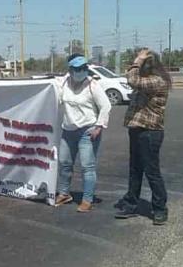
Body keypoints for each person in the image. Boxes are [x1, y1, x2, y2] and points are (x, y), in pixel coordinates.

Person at [114, 50, 173, 225]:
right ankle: (132, 203)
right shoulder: (149, 81)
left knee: (152, 172)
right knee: (135, 169)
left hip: (150, 131)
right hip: (137, 129)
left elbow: (132, 79)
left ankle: (160, 208)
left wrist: (137, 60)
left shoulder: (157, 80)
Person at [54, 55, 112, 212]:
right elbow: (55, 99)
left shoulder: (93, 85)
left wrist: (99, 126)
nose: (81, 72)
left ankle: (87, 200)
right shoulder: (63, 83)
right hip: (68, 130)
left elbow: (106, 106)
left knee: (87, 166)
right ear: (70, 70)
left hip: (88, 131)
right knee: (65, 163)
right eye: (77, 69)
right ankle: (64, 193)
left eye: (83, 68)